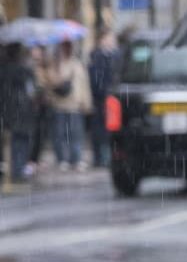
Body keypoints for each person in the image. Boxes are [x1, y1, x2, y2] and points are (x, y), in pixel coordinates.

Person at [36, 41, 91, 171]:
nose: (67, 49)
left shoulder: (77, 64)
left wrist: (87, 102)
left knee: (76, 133)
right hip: (58, 104)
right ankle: (62, 159)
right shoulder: (54, 65)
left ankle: (76, 159)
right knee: (59, 133)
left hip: (75, 104)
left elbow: (84, 85)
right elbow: (48, 84)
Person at [1, 45, 37, 183]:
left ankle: (15, 169)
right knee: (22, 141)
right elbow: (31, 91)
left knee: (14, 141)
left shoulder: (4, 69)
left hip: (9, 110)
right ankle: (19, 169)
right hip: (23, 110)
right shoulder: (25, 71)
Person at [86, 32, 120, 169]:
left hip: (111, 98)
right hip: (100, 99)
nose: (111, 41)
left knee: (109, 130)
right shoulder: (97, 57)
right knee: (99, 130)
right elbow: (96, 79)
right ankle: (101, 158)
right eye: (108, 38)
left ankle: (107, 157)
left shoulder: (116, 55)